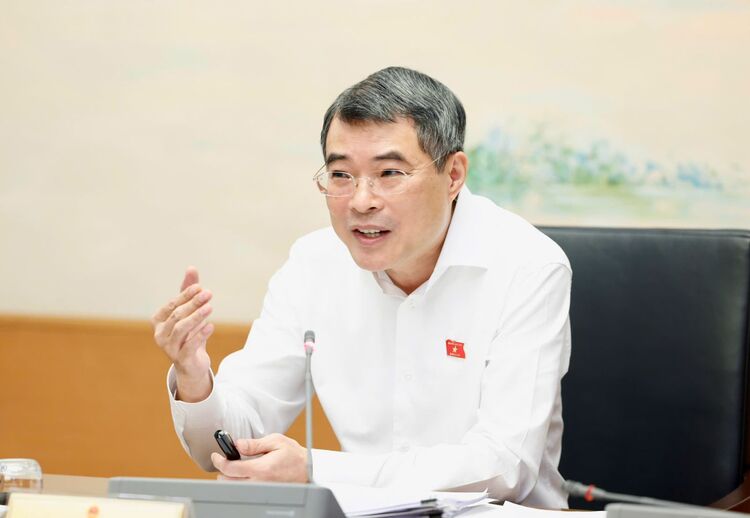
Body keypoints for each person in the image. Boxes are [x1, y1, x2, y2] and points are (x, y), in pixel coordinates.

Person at [151, 66, 572, 508]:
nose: (361, 200)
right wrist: (195, 378)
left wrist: (316, 471)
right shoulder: (313, 264)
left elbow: (504, 466)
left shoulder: (527, 266)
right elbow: (230, 444)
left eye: (389, 173)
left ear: (453, 175)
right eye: (341, 175)